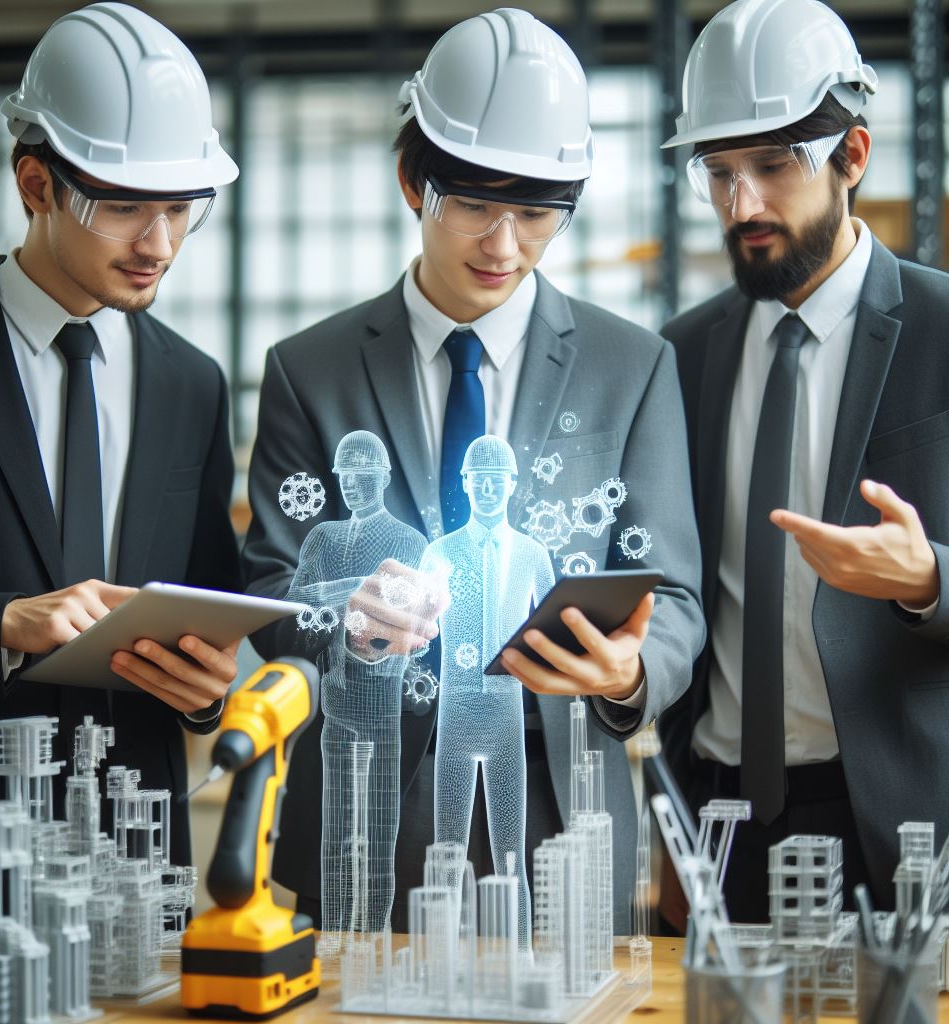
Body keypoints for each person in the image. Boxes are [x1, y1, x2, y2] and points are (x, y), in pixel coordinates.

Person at [243, 8, 704, 933]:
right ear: (414, 181)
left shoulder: (633, 367)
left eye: (536, 214)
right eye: (474, 206)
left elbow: (678, 599)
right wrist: (347, 622)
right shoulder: (310, 369)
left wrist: (627, 674)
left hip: (560, 808)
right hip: (365, 810)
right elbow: (269, 587)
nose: (503, 246)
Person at [0, 2, 241, 867]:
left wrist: (210, 694)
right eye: (128, 208)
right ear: (35, 185)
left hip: (138, 849)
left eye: (183, 209)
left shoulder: (193, 384)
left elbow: (210, 604)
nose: (160, 243)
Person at [658, 0, 949, 924]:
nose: (741, 205)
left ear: (853, 157)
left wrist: (930, 578)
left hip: (899, 824)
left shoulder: (945, 333)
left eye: (775, 167)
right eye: (719, 172)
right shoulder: (681, 355)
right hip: (714, 822)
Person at [284, 430, 429, 946]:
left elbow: (414, 627)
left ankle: (370, 947)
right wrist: (354, 593)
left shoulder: (410, 543)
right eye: (346, 476)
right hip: (338, 708)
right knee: (339, 840)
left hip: (384, 712)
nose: (352, 485)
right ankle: (341, 948)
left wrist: (339, 599)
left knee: (377, 841)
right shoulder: (322, 538)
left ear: (384, 478)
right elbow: (296, 615)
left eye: (364, 476)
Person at [421, 435, 555, 951]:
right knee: (447, 849)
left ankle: (518, 955)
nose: (490, 489)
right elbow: (417, 626)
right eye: (481, 480)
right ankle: (439, 963)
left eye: (500, 479)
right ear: (467, 484)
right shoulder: (441, 553)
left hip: (505, 714)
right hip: (454, 712)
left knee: (510, 851)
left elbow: (556, 623)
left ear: (513, 484)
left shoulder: (531, 553)